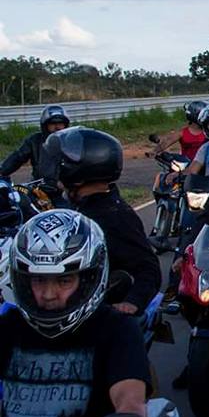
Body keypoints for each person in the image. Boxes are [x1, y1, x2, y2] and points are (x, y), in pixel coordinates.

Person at [0, 210, 151, 417]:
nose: (48, 294)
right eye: (38, 280)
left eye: (63, 280)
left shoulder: (117, 330)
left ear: (88, 278)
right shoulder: (8, 328)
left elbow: (130, 403)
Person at [44, 127, 162, 315]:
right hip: (64, 300)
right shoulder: (77, 206)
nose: (58, 169)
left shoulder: (114, 216)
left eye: (63, 163)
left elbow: (148, 268)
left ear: (82, 170)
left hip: (93, 312)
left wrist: (132, 302)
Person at [0, 104, 70, 183]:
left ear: (66, 125)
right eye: (53, 123)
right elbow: (18, 157)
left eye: (61, 124)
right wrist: (2, 171)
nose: (57, 127)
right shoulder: (35, 141)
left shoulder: (72, 141)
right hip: (39, 189)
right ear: (45, 125)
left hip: (67, 189)